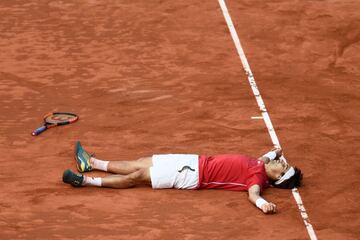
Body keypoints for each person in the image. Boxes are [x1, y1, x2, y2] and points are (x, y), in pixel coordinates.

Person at [63, 141, 302, 214]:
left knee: (137, 176)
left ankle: (85, 181)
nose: (281, 161)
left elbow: (253, 194)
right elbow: (265, 158)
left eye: (282, 165)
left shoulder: (258, 180)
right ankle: (91, 163)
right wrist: (274, 153)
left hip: (191, 175)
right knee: (140, 162)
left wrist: (263, 205)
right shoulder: (262, 164)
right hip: (192, 160)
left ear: (278, 176)